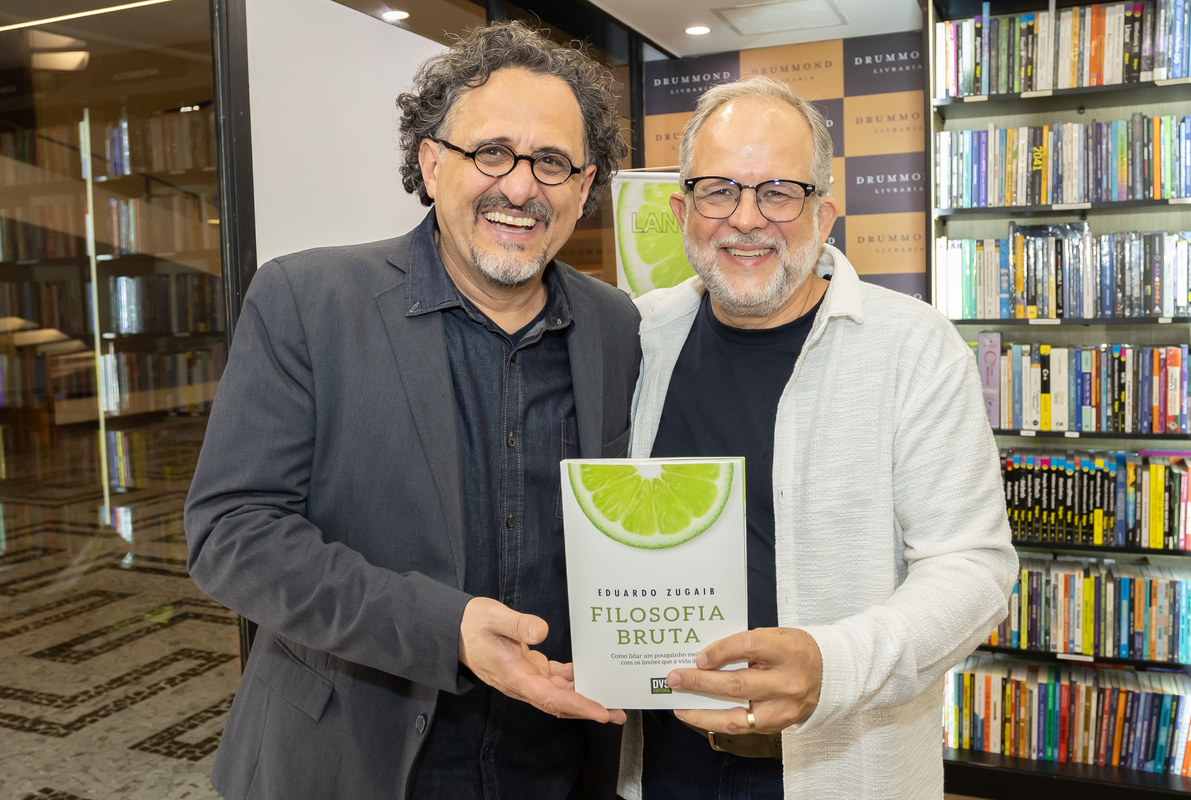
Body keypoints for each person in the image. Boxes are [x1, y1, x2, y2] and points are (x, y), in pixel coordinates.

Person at [184, 22, 639, 800]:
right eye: (491, 153)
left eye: (552, 162)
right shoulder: (307, 302)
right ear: (431, 164)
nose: (521, 188)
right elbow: (232, 534)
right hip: (351, 761)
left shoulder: (617, 325)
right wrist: (445, 630)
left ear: (585, 185)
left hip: (554, 760)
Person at [616, 76, 1019, 799]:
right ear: (682, 211)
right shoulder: (639, 335)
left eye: (779, 192)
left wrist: (832, 666)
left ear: (823, 214)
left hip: (841, 769)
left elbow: (973, 569)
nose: (746, 219)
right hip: (664, 764)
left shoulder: (912, 346)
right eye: (718, 191)